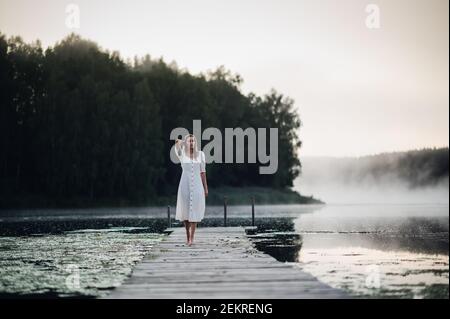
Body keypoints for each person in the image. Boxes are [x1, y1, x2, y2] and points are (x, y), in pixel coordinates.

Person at [174, 134, 208, 246]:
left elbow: (203, 173)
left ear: (196, 142)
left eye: (193, 140)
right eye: (190, 141)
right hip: (185, 185)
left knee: (195, 211)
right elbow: (176, 142)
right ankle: (187, 236)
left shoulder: (201, 155)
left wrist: (205, 188)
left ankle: (192, 238)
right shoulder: (182, 154)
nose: (192, 142)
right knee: (186, 211)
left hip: (198, 185)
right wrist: (184, 142)